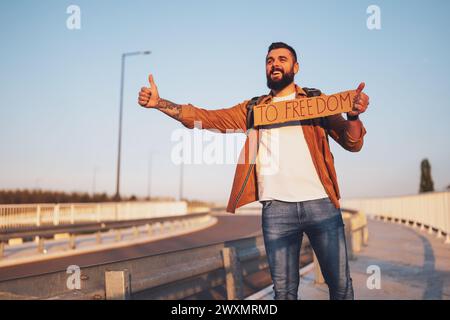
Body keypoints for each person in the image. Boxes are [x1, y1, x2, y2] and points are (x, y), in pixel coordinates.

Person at [138, 42, 369, 300]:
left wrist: (353, 117)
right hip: (277, 211)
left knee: (340, 286)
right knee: (283, 293)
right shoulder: (254, 109)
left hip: (321, 204)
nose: (275, 64)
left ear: (296, 67)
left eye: (282, 59)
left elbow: (353, 143)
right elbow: (207, 118)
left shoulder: (316, 102)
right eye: (270, 60)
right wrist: (160, 104)